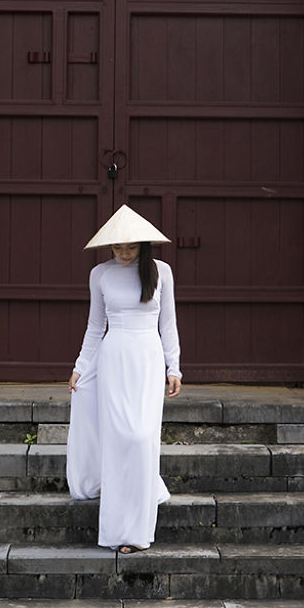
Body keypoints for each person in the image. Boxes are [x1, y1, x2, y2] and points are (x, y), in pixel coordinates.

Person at [66, 204, 182, 554]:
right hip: (113, 359)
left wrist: (173, 367)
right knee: (119, 440)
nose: (124, 253)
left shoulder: (161, 272)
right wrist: (80, 366)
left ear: (143, 245)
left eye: (131, 247)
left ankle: (141, 510)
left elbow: (168, 324)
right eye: (118, 247)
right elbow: (94, 326)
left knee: (142, 437)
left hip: (147, 359)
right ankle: (122, 531)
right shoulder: (100, 274)